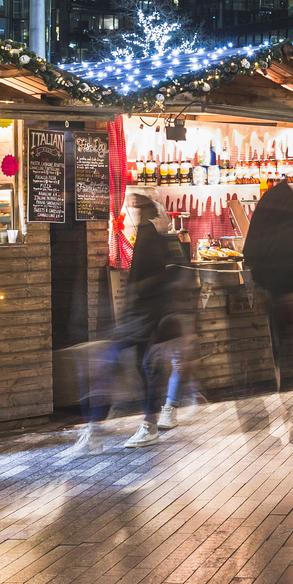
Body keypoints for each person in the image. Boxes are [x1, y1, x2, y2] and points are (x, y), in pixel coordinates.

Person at [71, 190, 180, 454]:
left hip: (144, 319)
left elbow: (159, 280)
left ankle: (109, 429)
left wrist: (141, 295)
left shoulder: (150, 237)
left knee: (120, 367)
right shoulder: (151, 236)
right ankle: (109, 429)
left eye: (135, 205)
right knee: (132, 369)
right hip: (140, 318)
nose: (130, 208)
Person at [245, 178, 293, 443]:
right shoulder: (291, 221)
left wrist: (264, 285)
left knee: (282, 354)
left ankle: (289, 410)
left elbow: (250, 255)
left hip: (272, 295)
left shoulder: (261, 220)